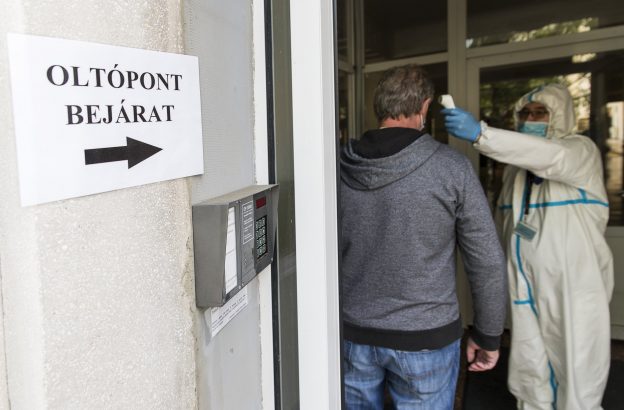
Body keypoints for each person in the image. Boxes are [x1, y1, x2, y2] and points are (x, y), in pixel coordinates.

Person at [340, 64, 508, 409]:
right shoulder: (451, 168)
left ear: (379, 106)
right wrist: (488, 334)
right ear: (425, 106)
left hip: (352, 333)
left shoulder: (337, 166)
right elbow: (486, 260)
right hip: (426, 338)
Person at [442, 84, 614, 410]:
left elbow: (551, 157)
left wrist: (483, 134)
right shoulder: (516, 172)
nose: (530, 119)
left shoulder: (581, 151)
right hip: (525, 285)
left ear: (560, 116)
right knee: (529, 366)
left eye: (540, 113)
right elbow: (503, 224)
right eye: (525, 114)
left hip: (574, 288)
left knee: (578, 366)